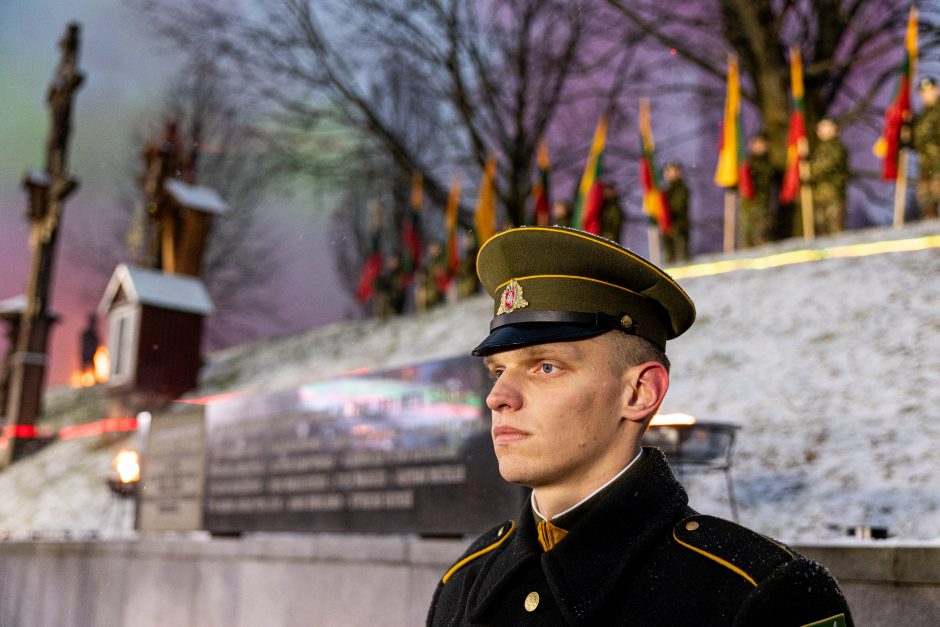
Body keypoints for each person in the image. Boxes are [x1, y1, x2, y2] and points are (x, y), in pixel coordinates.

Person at [426, 226, 853, 626]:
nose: (498, 397)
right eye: (498, 371)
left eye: (546, 366)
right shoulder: (465, 581)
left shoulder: (760, 594)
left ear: (639, 392)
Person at [809, 118, 849, 235]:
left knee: (834, 230)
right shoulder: (820, 148)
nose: (820, 130)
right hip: (820, 196)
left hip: (833, 195)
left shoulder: (836, 147)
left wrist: (809, 170)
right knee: (821, 231)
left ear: (834, 129)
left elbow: (827, 164)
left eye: (825, 126)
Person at [740, 133, 775, 247]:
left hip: (762, 206)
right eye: (755, 144)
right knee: (746, 239)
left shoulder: (768, 162)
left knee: (761, 238)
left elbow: (766, 177)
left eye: (761, 144)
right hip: (748, 206)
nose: (758, 146)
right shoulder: (747, 163)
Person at [913, 76, 940, 220]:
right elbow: (919, 143)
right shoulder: (922, 116)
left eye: (929, 91)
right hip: (926, 167)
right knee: (927, 207)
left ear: (936, 91)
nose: (926, 95)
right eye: (923, 92)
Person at [662, 162, 689, 262]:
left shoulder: (682, 188)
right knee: (669, 257)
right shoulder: (665, 190)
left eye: (673, 171)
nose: (670, 174)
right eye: (668, 171)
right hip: (668, 226)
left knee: (681, 256)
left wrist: (665, 206)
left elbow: (678, 206)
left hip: (679, 225)